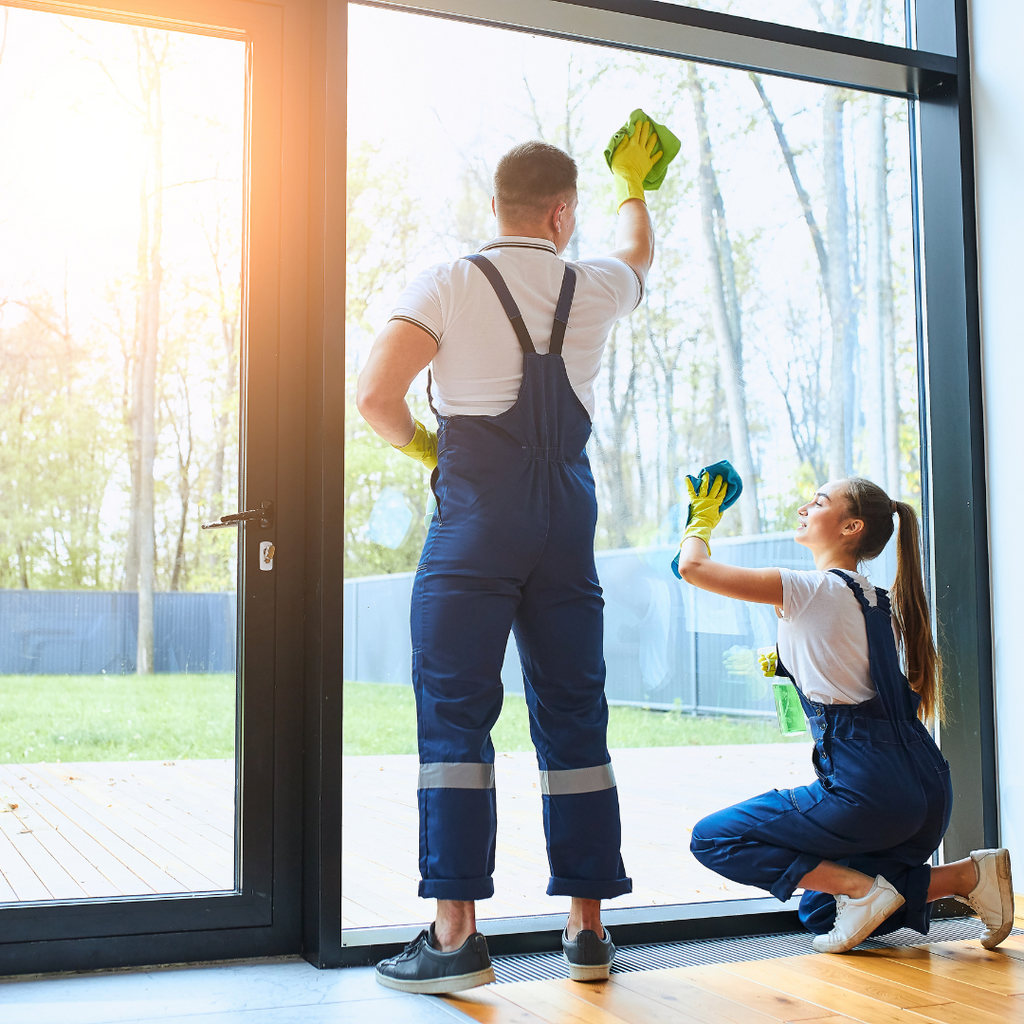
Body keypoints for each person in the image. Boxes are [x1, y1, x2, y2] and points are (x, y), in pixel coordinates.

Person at [358, 124, 664, 993]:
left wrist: (428, 448)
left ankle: (456, 941)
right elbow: (639, 250)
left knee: (457, 720)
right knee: (575, 715)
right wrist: (635, 183)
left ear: (495, 205)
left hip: (476, 524)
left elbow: (376, 397)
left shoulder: (449, 282)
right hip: (566, 523)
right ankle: (588, 930)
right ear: (564, 214)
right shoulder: (598, 283)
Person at [674, 472, 1014, 953]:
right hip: (926, 787)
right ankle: (965, 875)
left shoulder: (811, 589)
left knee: (713, 839)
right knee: (819, 910)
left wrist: (701, 520)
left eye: (817, 501)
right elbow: (850, 671)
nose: (803, 509)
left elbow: (693, 568)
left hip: (869, 790)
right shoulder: (878, 600)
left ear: (851, 527)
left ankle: (863, 889)